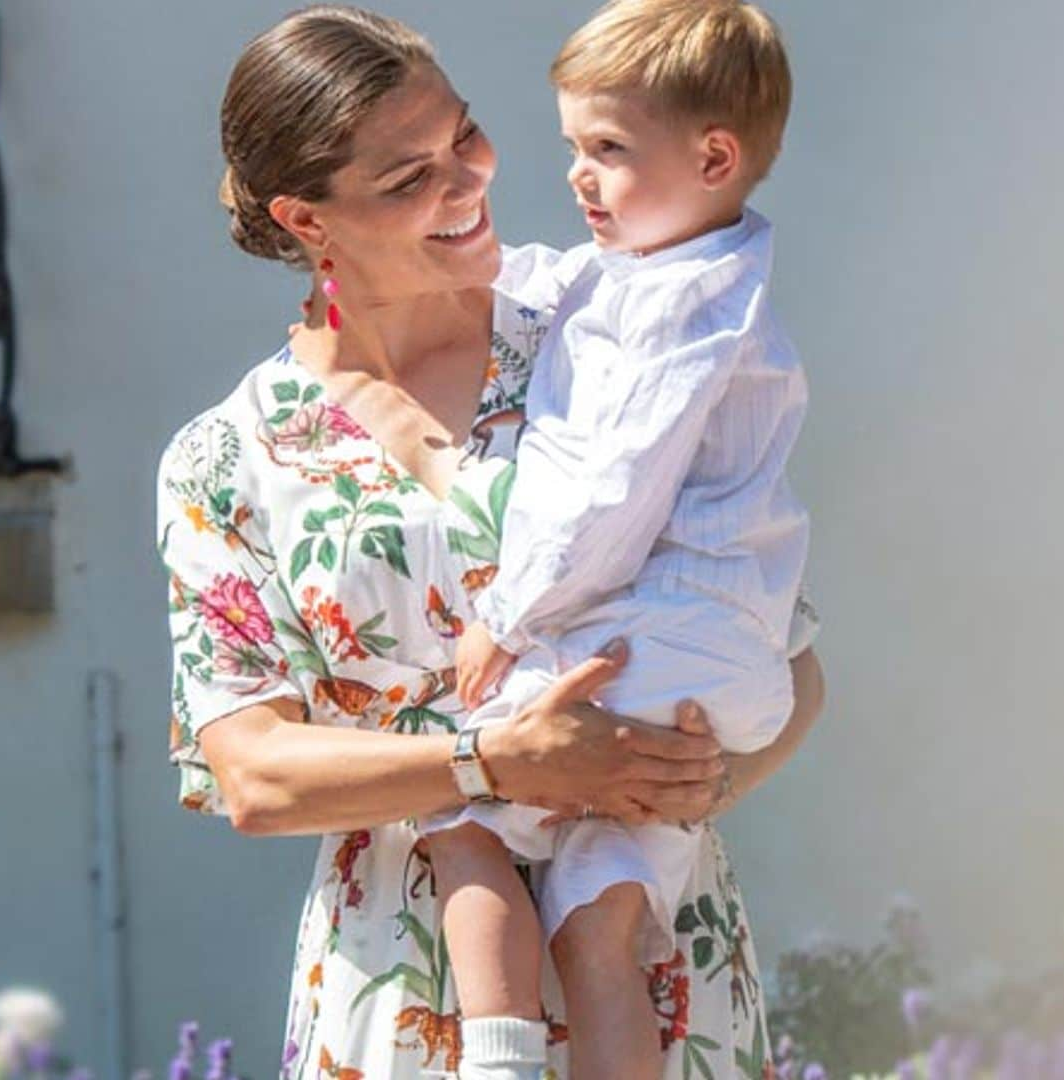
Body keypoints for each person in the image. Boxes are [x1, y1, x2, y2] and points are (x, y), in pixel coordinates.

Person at [156, 8, 825, 1079]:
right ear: (306, 218)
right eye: (406, 177)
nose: (466, 183)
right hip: (404, 990)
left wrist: (681, 783)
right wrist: (488, 763)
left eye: (463, 136)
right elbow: (254, 776)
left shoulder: (599, 323)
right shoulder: (229, 461)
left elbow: (789, 655)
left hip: (651, 962)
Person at [419, 2, 809, 1076]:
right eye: (574, 150)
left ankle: (497, 1055)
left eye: (608, 151)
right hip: (710, 665)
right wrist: (462, 270)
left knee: (464, 807)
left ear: (713, 155)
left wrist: (507, 617)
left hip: (656, 635)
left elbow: (610, 492)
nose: (580, 177)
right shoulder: (679, 270)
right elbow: (556, 284)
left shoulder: (684, 325)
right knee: (601, 915)